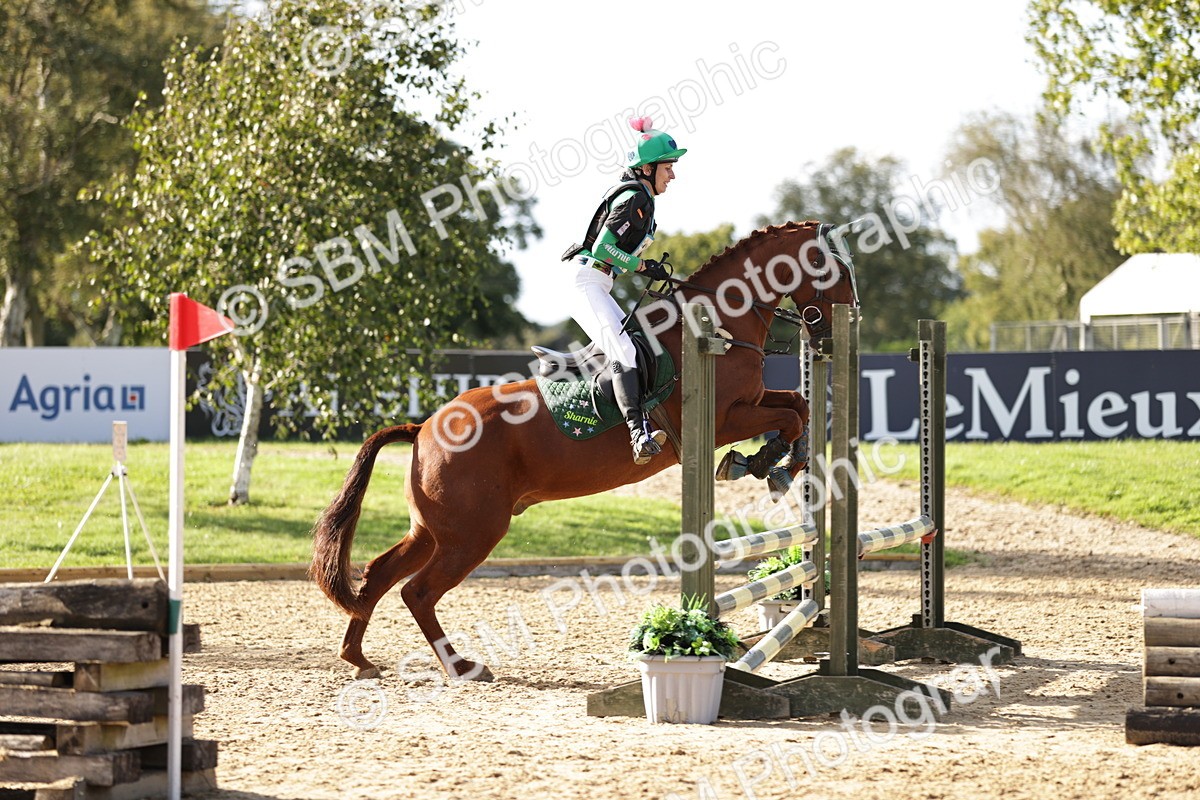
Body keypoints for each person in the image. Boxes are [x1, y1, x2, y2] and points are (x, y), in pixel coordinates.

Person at [561, 116, 685, 465]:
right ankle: (637, 432)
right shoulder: (633, 197)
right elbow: (603, 250)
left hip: (599, 281)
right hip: (586, 280)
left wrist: (640, 267)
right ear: (647, 168)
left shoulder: (643, 197)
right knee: (625, 350)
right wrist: (643, 267)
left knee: (635, 343)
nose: (672, 175)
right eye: (668, 167)